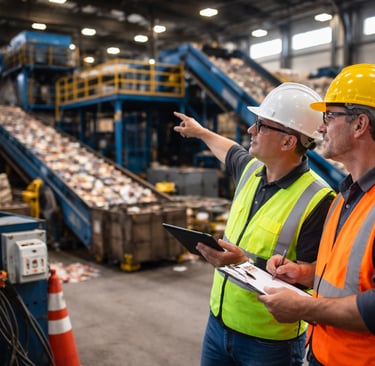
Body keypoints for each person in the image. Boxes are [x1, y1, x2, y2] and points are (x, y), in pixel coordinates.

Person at [173, 82, 336, 366]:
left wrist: (244, 265)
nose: (251, 130)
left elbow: (316, 277)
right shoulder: (251, 170)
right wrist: (200, 132)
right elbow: (229, 149)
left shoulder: (319, 200)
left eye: (261, 125)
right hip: (219, 322)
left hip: (269, 342)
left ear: (288, 141)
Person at [258, 64, 375, 366]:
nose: (321, 127)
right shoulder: (345, 197)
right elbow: (349, 280)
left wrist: (303, 308)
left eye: (329, 116)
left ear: (360, 124)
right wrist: (303, 274)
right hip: (322, 354)